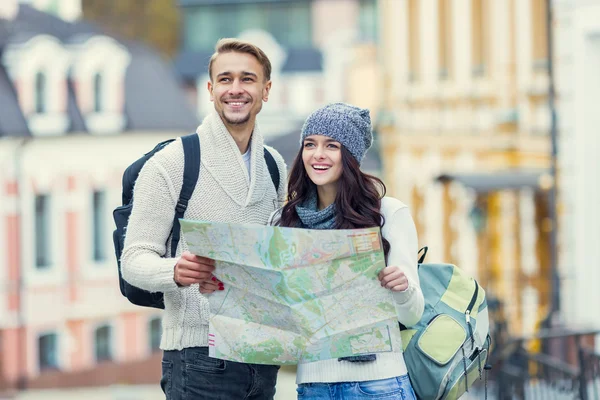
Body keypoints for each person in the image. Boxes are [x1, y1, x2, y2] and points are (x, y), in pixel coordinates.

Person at [202, 103, 423, 399]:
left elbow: (412, 313)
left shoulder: (387, 213)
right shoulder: (283, 222)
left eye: (331, 145)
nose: (318, 154)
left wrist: (403, 288)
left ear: (351, 155)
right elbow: (268, 312)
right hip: (313, 386)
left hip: (379, 385)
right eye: (310, 144)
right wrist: (220, 289)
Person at [121, 38, 287, 400]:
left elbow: (278, 258)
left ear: (266, 89)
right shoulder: (173, 163)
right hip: (198, 358)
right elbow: (132, 261)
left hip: (262, 354)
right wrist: (176, 271)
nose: (236, 89)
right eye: (225, 80)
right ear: (210, 90)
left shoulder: (274, 165)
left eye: (248, 79)